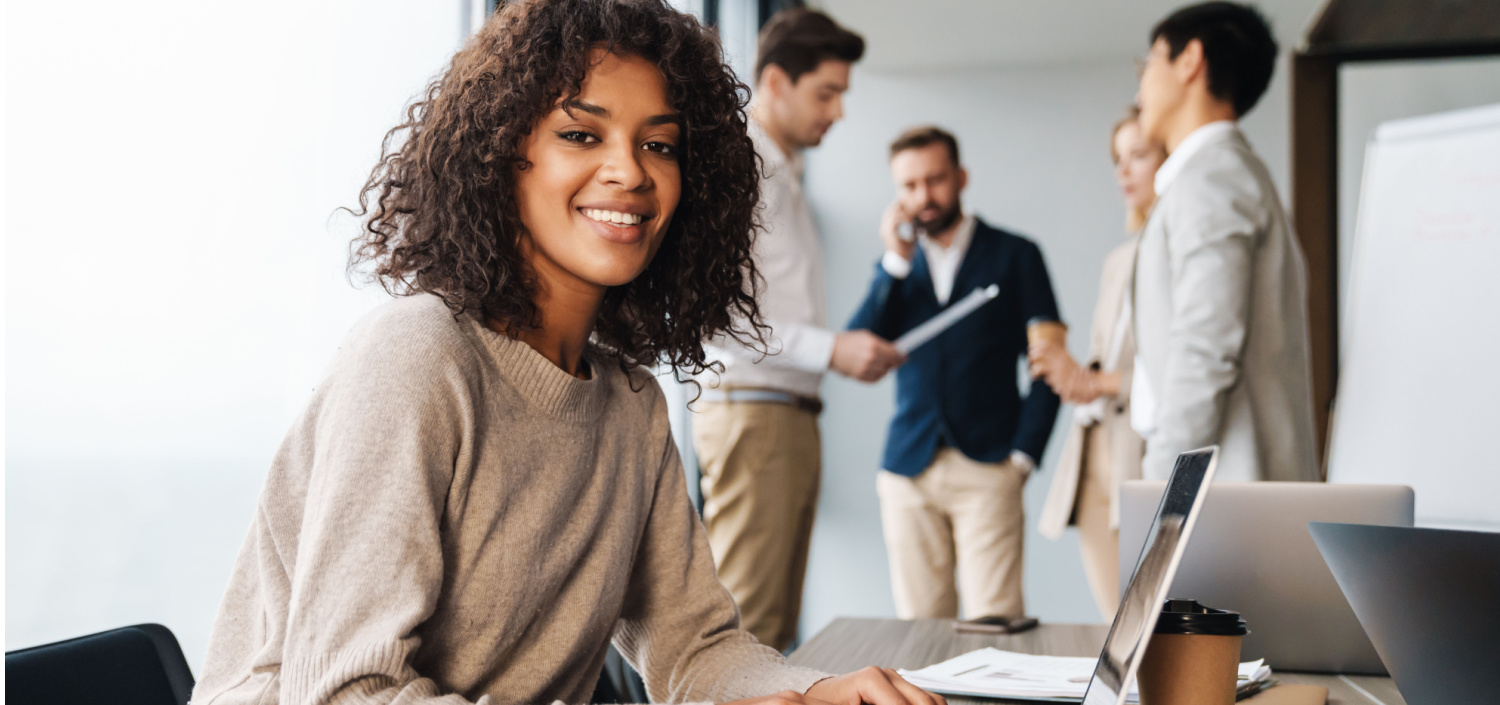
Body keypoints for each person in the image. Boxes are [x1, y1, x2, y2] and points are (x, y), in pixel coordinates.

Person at [190, 3, 947, 705]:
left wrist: (815, 691)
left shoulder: (630, 404)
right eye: (581, 134)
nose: (631, 171)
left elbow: (694, 647)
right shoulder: (417, 354)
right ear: (501, 153)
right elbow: (345, 690)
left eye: (660, 144)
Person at [691, 8, 900, 652]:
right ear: (776, 82)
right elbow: (717, 316)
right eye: (826, 93)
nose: (837, 111)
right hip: (757, 413)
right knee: (747, 633)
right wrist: (831, 348)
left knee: (772, 632)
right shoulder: (746, 167)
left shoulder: (784, 173)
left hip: (784, 414)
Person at [848, 126, 1062, 621]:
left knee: (995, 623)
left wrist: (1024, 457)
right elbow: (857, 348)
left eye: (935, 179)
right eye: (909, 186)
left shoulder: (1016, 254)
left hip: (989, 466)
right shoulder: (897, 268)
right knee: (919, 629)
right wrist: (894, 264)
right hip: (908, 468)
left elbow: (1050, 363)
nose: (924, 196)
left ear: (961, 177)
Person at [1126, 1, 1319, 483]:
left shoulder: (1213, 177)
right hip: (1231, 484)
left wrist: (1160, 481)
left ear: (1190, 60)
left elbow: (1205, 346)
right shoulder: (1225, 174)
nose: (1140, 87)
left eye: (1148, 64)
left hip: (1223, 489)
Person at [1032, 108, 1164, 620]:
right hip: (1092, 459)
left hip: (1143, 454)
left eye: (1138, 155)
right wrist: (1068, 372)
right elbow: (1102, 363)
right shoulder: (1120, 260)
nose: (1123, 172)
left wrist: (1093, 380)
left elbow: (1182, 372)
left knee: (1154, 627)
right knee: (1118, 626)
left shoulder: (1180, 256)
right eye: (1117, 159)